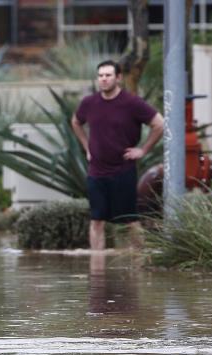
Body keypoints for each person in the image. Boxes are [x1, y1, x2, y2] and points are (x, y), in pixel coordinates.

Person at [71, 60, 165, 250]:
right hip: (96, 172)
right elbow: (75, 121)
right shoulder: (89, 103)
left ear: (118, 78)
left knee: (130, 221)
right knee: (97, 221)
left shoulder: (132, 103)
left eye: (108, 75)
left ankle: (140, 265)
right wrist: (87, 147)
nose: (104, 79)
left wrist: (143, 149)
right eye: (101, 76)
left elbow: (159, 124)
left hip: (123, 171)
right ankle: (97, 271)